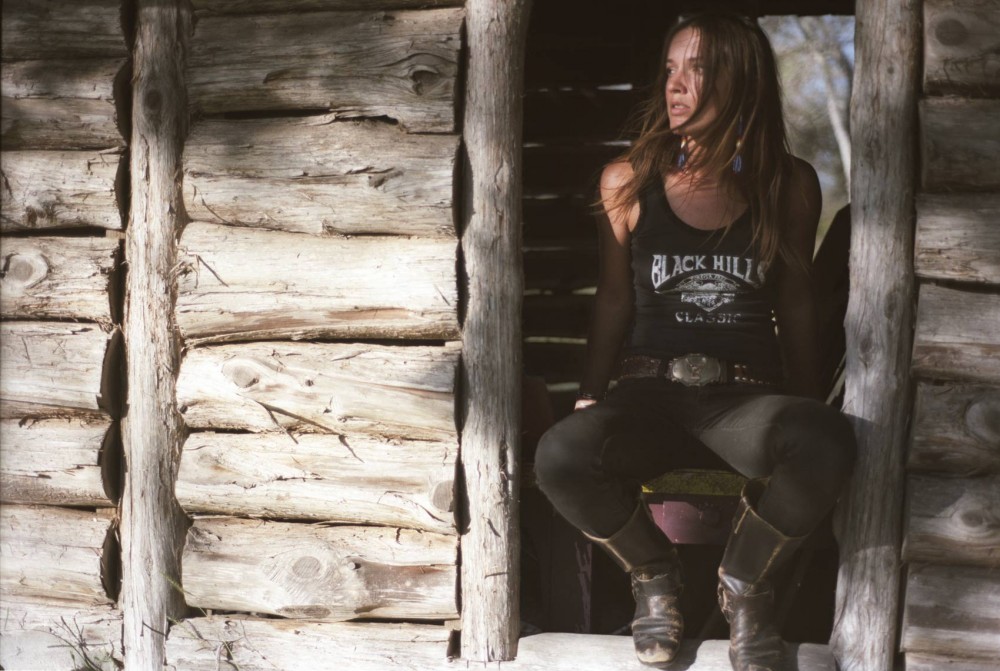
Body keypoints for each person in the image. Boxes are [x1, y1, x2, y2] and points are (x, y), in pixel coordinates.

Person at [533, 12, 856, 671]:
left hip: (743, 403)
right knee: (560, 454)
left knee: (827, 439)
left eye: (697, 69)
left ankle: (746, 584)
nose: (675, 85)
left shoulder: (787, 183)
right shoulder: (627, 181)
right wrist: (591, 392)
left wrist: (805, 402)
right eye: (669, 69)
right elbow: (614, 298)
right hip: (649, 397)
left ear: (741, 80)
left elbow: (795, 301)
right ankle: (655, 578)